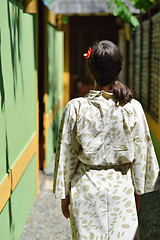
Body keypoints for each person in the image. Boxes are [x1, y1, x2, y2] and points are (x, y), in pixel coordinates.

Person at [53, 40, 160, 240]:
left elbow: (66, 156)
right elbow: (141, 156)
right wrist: (137, 196)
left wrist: (64, 195)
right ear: (119, 68)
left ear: (90, 69)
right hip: (122, 192)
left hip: (85, 191)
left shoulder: (75, 108)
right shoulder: (132, 108)